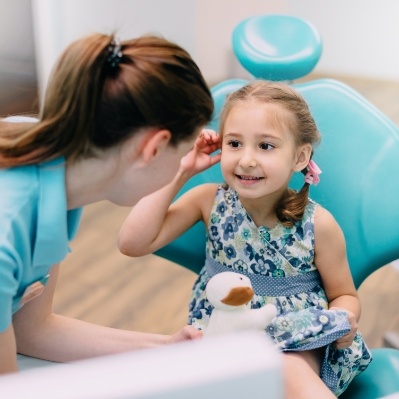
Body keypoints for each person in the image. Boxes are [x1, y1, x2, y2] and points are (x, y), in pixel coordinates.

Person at [118, 80, 372, 398]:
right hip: (223, 330)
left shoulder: (318, 224)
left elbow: (345, 295)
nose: (246, 159)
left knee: (285, 371)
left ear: (300, 156)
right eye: (234, 143)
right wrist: (182, 172)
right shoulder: (208, 201)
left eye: (265, 146)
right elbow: (132, 242)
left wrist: (344, 320)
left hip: (295, 335)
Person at [0, 32, 216, 374]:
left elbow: (32, 331)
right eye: (184, 150)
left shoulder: (49, 156)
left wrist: (165, 348)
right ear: (154, 148)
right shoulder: (9, 231)